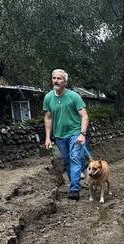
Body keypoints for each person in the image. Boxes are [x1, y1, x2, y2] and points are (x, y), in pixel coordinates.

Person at [43, 69, 89, 200]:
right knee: (67, 161)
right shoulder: (48, 97)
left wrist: (82, 134)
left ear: (65, 81)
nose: (56, 80)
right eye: (54, 78)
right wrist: (47, 138)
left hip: (75, 133)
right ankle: (75, 182)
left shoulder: (74, 96)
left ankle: (74, 189)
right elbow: (48, 118)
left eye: (59, 78)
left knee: (74, 157)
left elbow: (84, 116)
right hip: (59, 135)